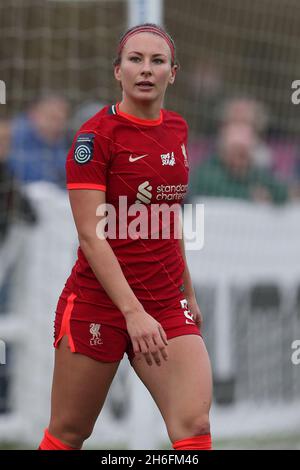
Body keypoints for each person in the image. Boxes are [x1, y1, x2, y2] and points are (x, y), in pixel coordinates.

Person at [38, 23, 213, 451]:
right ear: (118, 71)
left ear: (174, 72)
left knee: (193, 422)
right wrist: (132, 313)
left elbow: (169, 218)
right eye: (135, 60)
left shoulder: (178, 130)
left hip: (165, 302)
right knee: (69, 433)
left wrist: (186, 292)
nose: (146, 69)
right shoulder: (93, 138)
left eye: (158, 61)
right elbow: (91, 234)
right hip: (101, 301)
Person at [189, 123, 289, 204]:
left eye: (244, 154)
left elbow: (281, 192)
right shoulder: (206, 171)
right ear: (223, 152)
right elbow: (217, 191)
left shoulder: (254, 172)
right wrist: (250, 195)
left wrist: (269, 194)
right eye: (236, 153)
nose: (240, 160)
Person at [8, 94, 69, 187]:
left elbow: (65, 169)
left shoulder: (57, 138)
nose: (59, 125)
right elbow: (19, 171)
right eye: (53, 118)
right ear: (33, 114)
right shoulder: (15, 133)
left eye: (61, 119)